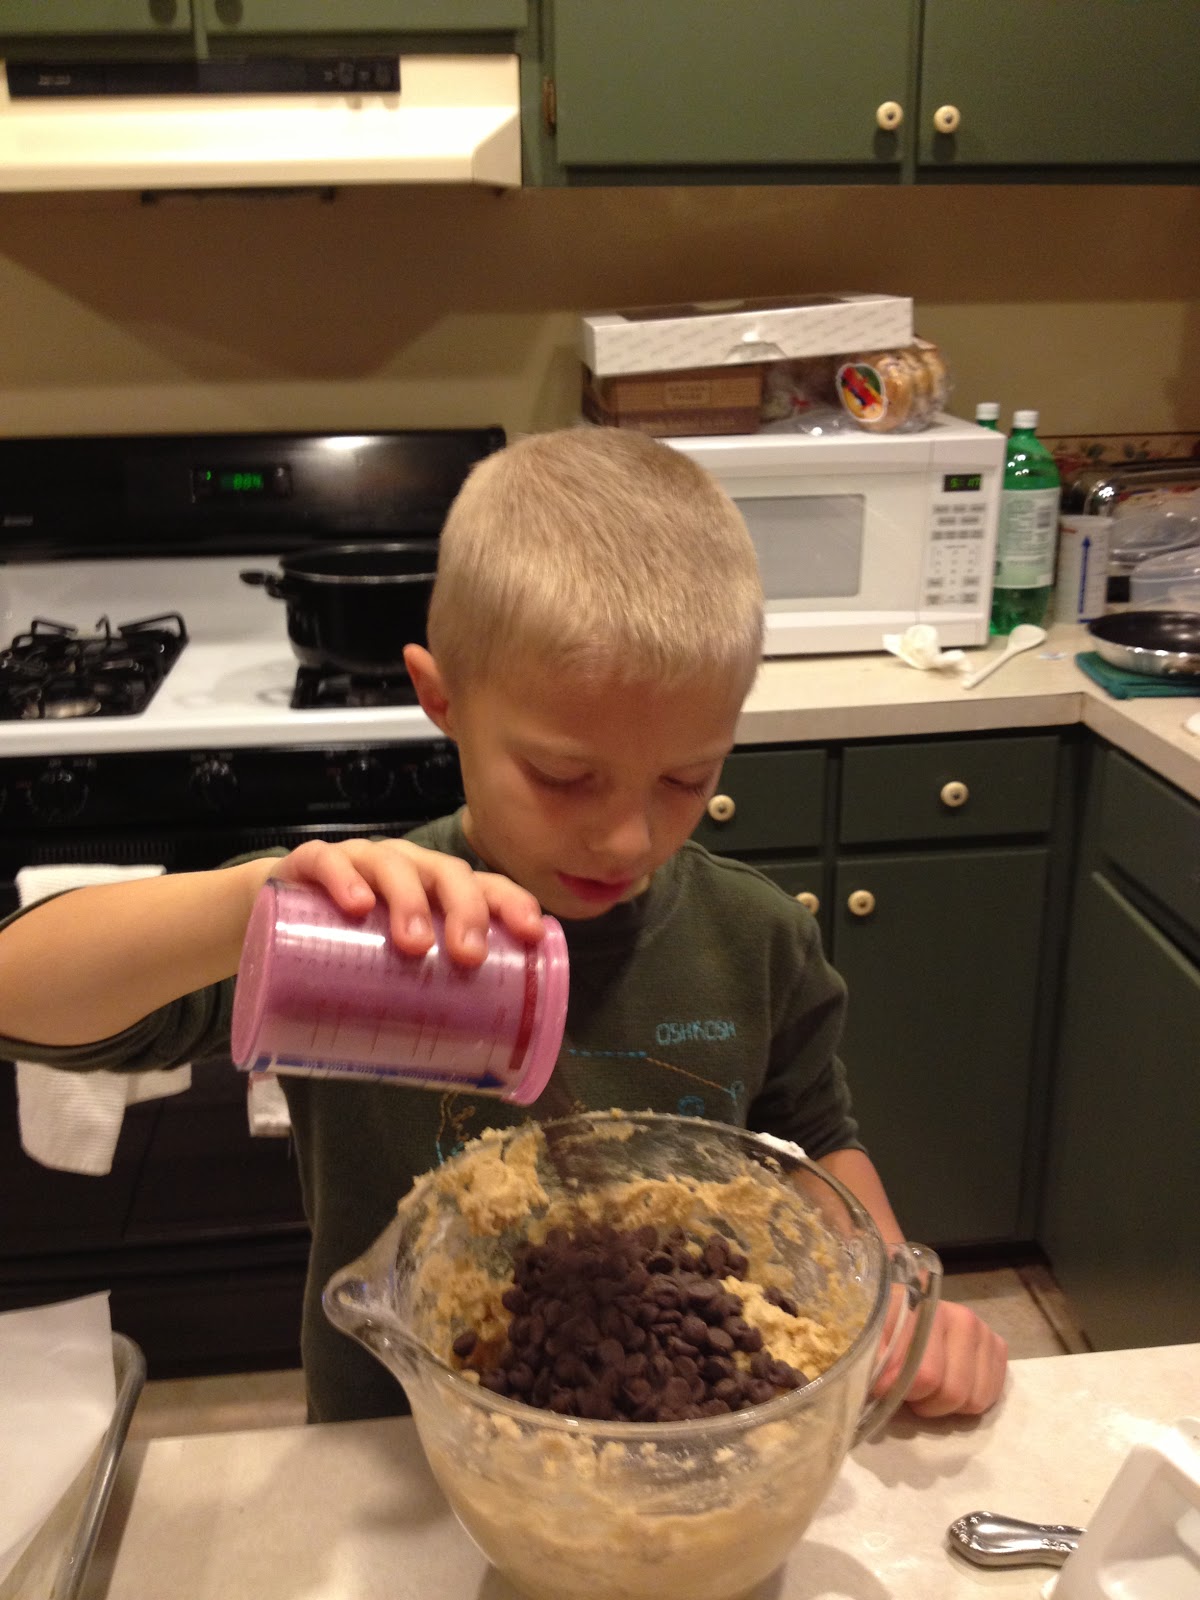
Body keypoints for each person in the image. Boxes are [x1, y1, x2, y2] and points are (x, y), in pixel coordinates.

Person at [0, 427, 1006, 1424]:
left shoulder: (755, 935)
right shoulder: (366, 932)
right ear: (441, 699)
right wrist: (250, 904)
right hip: (399, 1441)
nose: (625, 836)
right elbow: (19, 995)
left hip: (687, 1443)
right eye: (566, 776)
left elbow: (821, 1135)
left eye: (686, 779)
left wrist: (898, 1301)